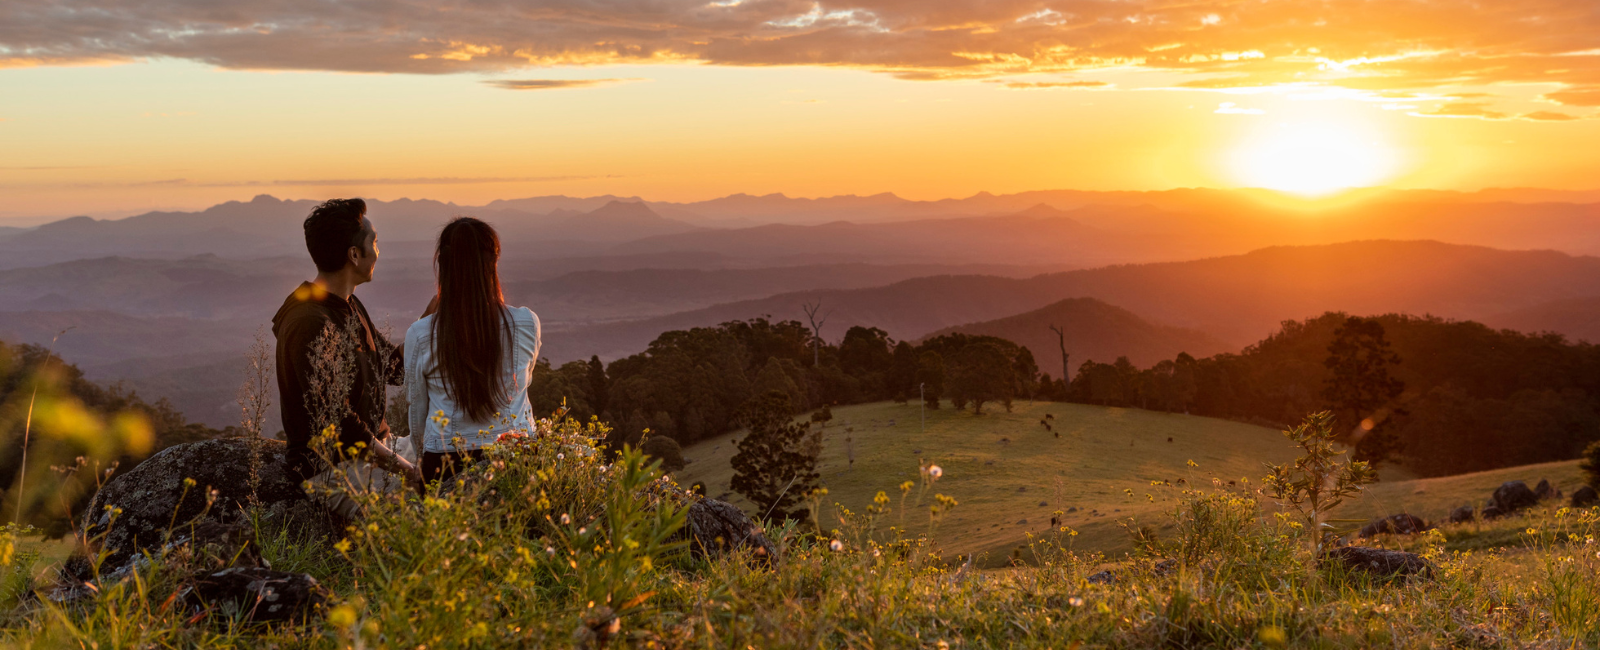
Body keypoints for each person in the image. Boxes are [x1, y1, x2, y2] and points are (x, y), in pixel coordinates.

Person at [273, 198, 422, 517]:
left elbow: (393, 369)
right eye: (375, 242)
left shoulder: (347, 305)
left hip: (376, 451)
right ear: (354, 255)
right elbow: (340, 424)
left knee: (456, 457)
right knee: (429, 502)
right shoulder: (309, 322)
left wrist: (431, 322)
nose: (378, 252)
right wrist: (406, 470)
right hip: (333, 469)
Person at [406, 217, 541, 485]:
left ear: (442, 266)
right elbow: (525, 382)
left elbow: (417, 414)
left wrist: (424, 458)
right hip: (517, 457)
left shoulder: (421, 334)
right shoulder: (527, 323)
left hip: (445, 464)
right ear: (492, 264)